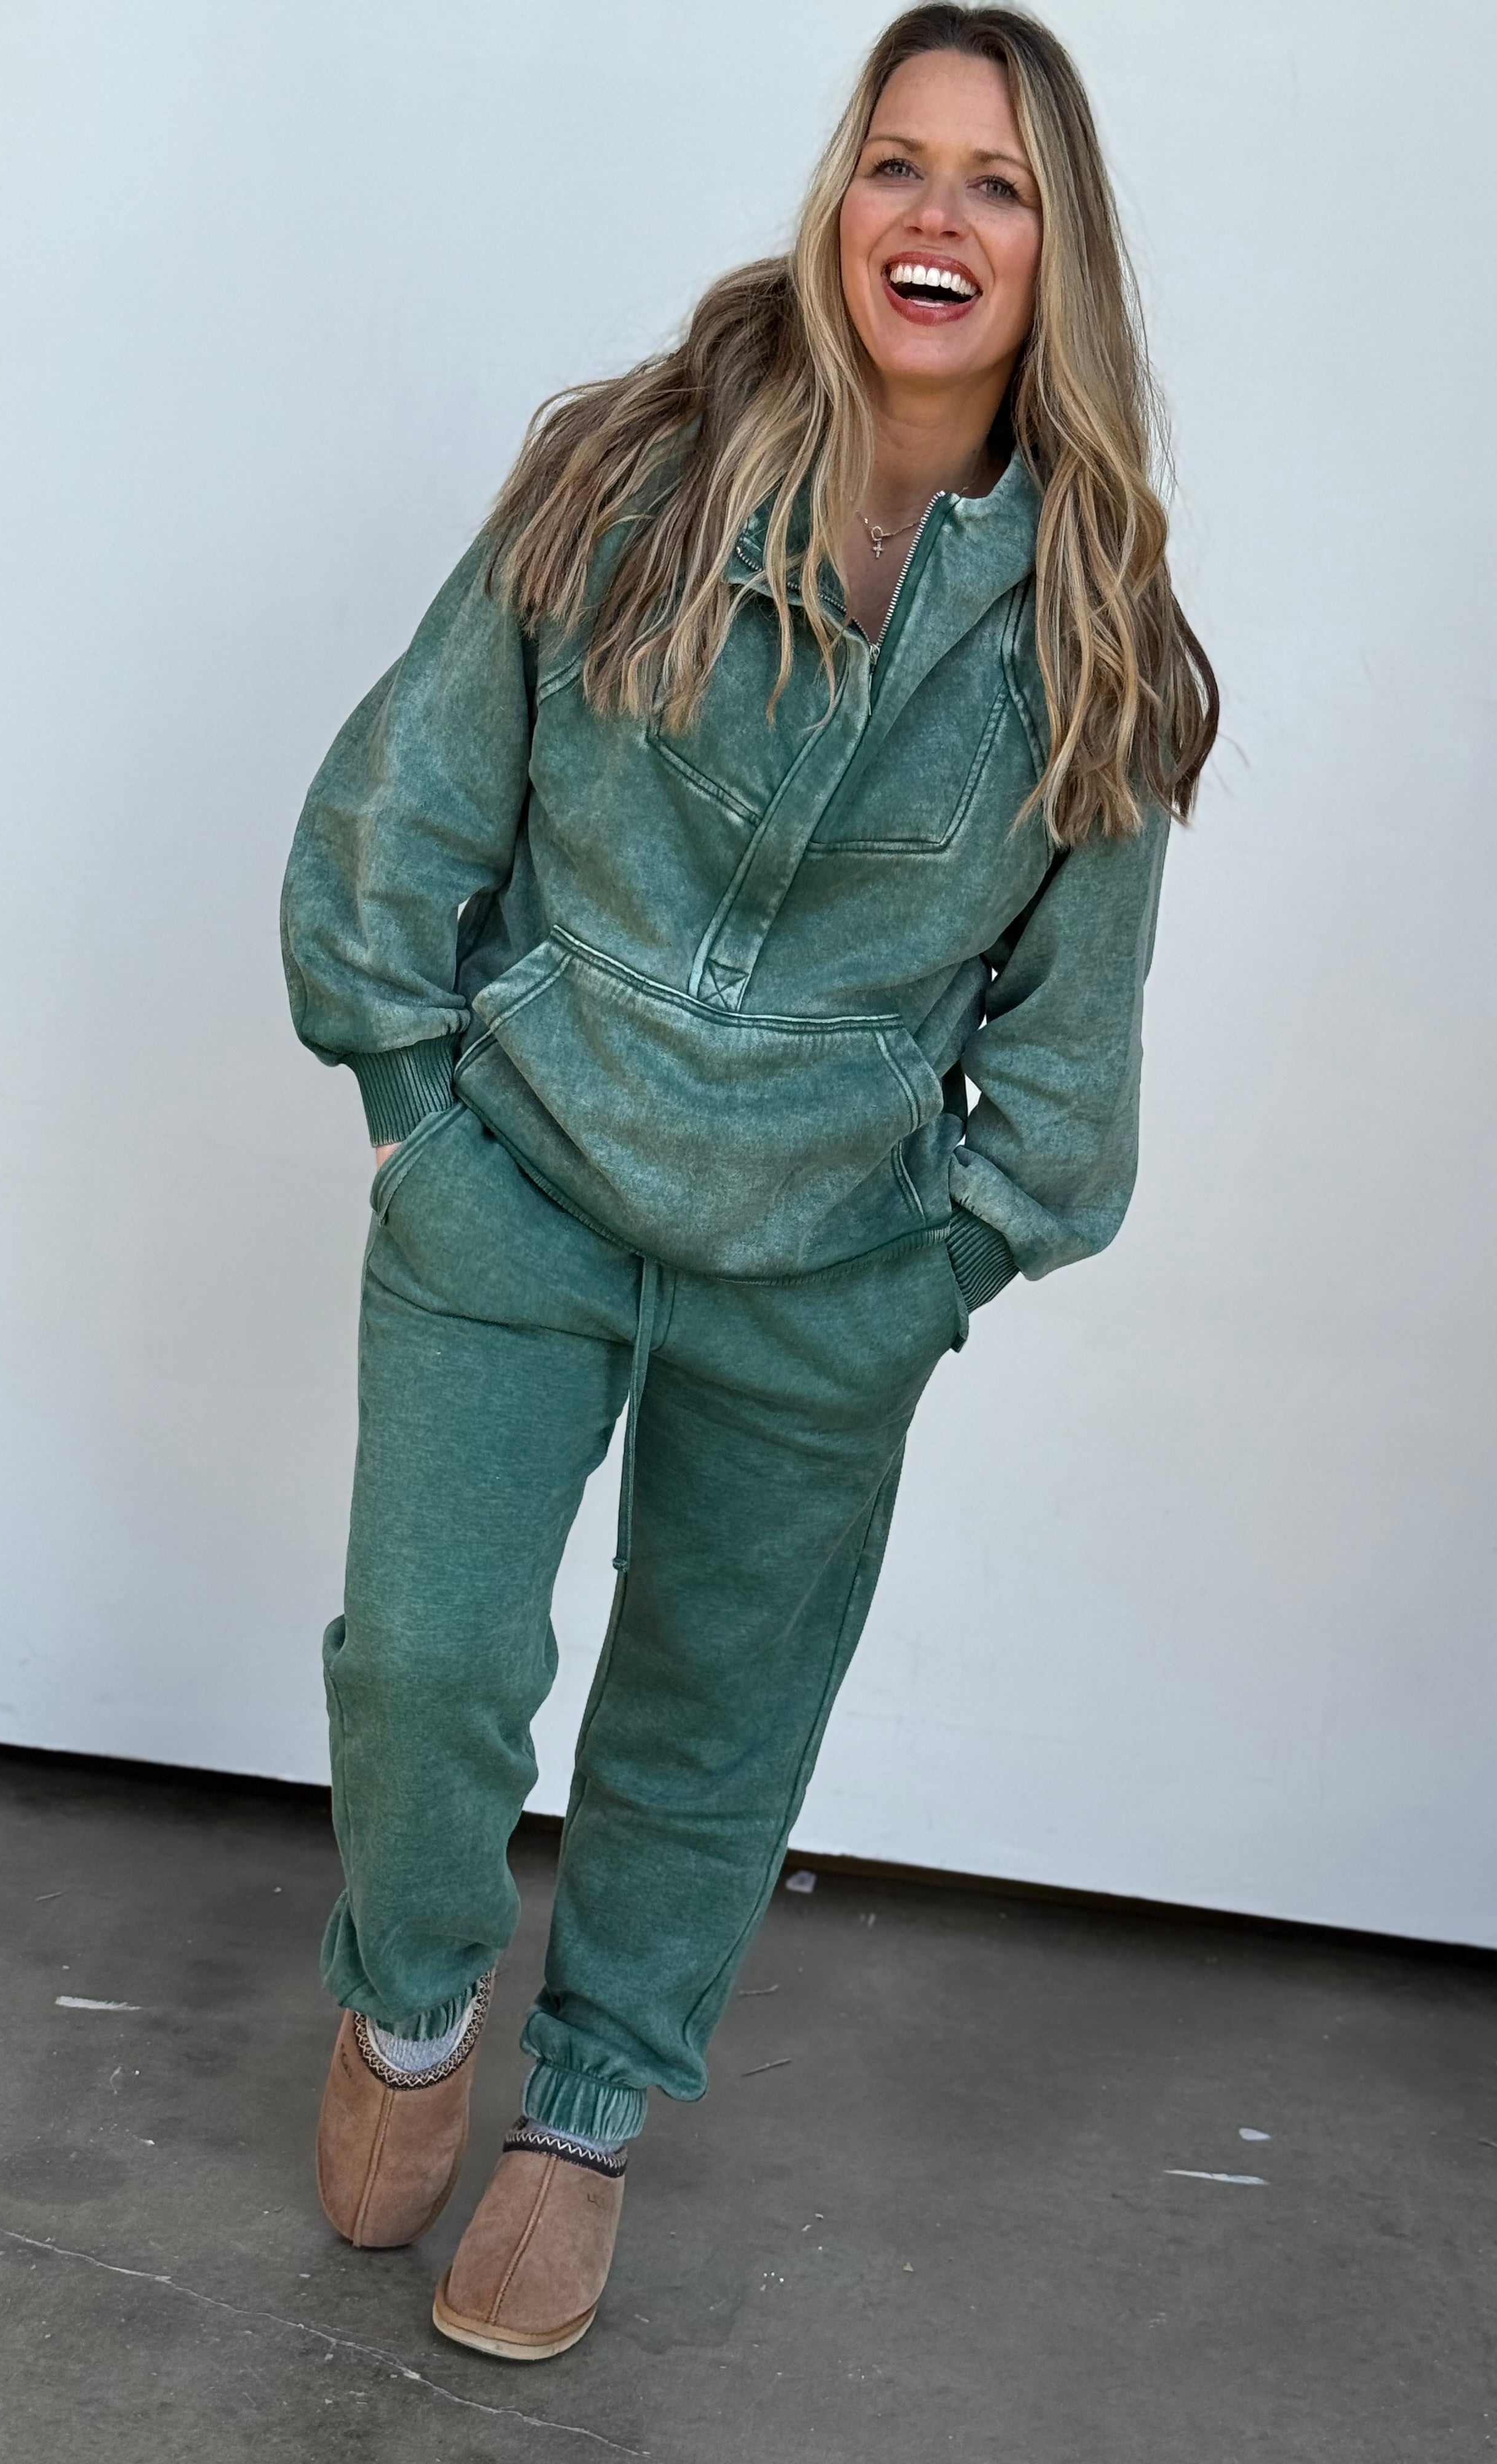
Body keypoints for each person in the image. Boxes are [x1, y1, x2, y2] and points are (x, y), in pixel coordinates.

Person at [279, 1, 1215, 2364]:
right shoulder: (629, 472)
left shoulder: (1097, 622)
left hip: (826, 1276)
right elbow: (407, 800)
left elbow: (1072, 1062)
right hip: (520, 1190)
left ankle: (583, 2119)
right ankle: (413, 2007)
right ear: (840, 197)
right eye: (898, 161)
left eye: (997, 182)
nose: (936, 215)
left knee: (711, 1727)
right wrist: (414, 1113)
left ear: (1058, 250)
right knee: (428, 1665)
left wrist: (931, 1273)